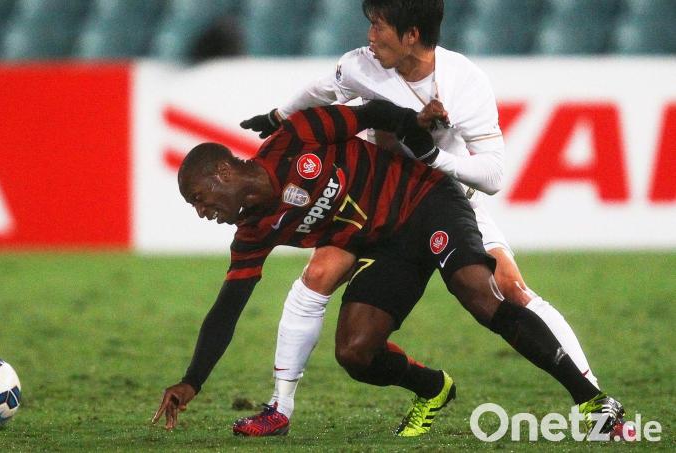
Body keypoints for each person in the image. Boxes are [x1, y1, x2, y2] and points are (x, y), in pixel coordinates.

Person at [236, 0, 611, 436]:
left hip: (447, 198)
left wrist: (435, 158)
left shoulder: (463, 82)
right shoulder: (361, 66)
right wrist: (279, 116)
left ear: (411, 34)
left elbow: (492, 174)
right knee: (318, 275)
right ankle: (279, 408)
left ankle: (595, 399)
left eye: (378, 24)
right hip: (375, 201)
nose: (369, 34)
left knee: (508, 288)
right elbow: (321, 89)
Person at [152, 100, 622, 437]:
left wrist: (418, 133)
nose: (202, 211)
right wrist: (192, 379)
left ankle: (592, 400)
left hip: (427, 200)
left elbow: (372, 113)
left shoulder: (297, 137)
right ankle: (433, 388)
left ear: (222, 173)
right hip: (394, 246)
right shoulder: (253, 232)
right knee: (355, 352)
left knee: (479, 293)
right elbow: (227, 309)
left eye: (198, 198)